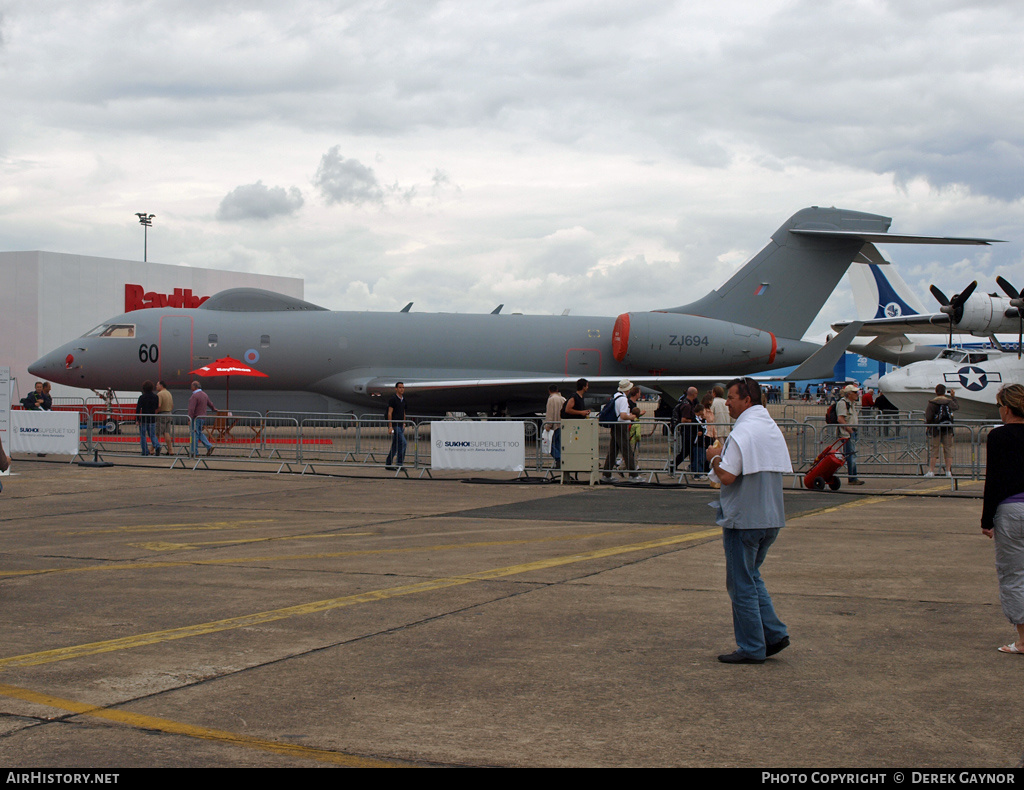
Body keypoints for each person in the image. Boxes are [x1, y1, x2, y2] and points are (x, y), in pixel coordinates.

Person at [706, 377, 793, 664]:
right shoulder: (769, 428)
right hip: (771, 517)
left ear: (747, 400)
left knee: (740, 584)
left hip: (744, 520)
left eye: (731, 397)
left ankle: (752, 646)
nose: (727, 402)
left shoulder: (743, 431)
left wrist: (714, 458)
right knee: (752, 577)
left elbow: (728, 476)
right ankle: (774, 633)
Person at [981, 384, 1024, 655]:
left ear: (1006, 408)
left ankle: (1022, 640)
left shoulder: (998, 437)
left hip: (1011, 510)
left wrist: (986, 519)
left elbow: (993, 480)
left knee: (1013, 575)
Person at [602, 379, 638, 481]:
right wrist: (631, 417)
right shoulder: (623, 399)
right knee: (627, 450)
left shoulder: (616, 396)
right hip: (621, 426)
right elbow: (622, 415)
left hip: (616, 426)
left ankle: (607, 473)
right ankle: (633, 474)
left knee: (613, 451)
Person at [924, 384, 959, 477]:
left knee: (934, 449)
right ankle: (948, 471)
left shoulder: (932, 403)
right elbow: (956, 407)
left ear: (936, 392)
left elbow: (928, 416)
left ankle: (931, 471)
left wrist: (929, 425)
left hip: (935, 429)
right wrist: (953, 397)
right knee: (948, 449)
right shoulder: (949, 401)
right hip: (948, 429)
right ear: (944, 392)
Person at [835, 384, 864, 486]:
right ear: (849, 394)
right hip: (847, 434)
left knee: (852, 455)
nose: (857, 394)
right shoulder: (843, 403)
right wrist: (850, 430)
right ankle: (852, 478)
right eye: (855, 392)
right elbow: (840, 419)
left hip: (852, 432)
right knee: (850, 456)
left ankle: (853, 477)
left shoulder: (851, 403)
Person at [188, 381, 216, 457]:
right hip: (203, 417)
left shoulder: (194, 396)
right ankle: (209, 446)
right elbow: (210, 403)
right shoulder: (204, 395)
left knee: (194, 435)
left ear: (194, 387)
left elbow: (191, 409)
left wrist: (189, 419)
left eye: (191, 386)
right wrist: (214, 409)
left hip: (195, 418)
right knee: (199, 433)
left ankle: (194, 452)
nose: (191, 388)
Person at [136, 380, 161, 456]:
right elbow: (157, 407)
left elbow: (138, 408)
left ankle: (145, 451)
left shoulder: (142, 397)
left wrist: (137, 419)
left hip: (144, 419)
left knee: (143, 435)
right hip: (152, 418)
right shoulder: (155, 397)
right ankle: (157, 446)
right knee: (152, 435)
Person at [385, 382, 407, 469]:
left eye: (403, 387)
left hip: (401, 425)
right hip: (395, 425)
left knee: (395, 445)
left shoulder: (403, 400)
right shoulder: (393, 399)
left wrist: (404, 422)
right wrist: (390, 426)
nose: (402, 389)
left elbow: (404, 412)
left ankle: (388, 463)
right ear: (396, 389)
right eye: (400, 387)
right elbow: (390, 413)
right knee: (403, 443)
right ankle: (399, 463)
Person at [544, 384, 566, 468]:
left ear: (549, 391)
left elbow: (550, 413)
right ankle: (561, 460)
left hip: (554, 426)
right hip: (562, 425)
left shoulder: (551, 399)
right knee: (558, 444)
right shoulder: (563, 399)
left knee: (549, 444)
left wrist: (548, 425)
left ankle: (558, 459)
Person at [155, 380, 174, 456]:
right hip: (169, 414)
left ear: (161, 386)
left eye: (157, 385)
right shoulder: (168, 393)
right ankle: (170, 450)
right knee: (166, 432)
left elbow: (159, 405)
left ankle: (152, 449)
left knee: (157, 433)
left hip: (162, 414)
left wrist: (155, 413)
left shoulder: (160, 394)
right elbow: (172, 405)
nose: (156, 386)